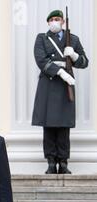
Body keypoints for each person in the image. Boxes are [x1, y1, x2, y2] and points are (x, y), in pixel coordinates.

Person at [32, 10, 89, 174]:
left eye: (57, 19)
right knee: (48, 125)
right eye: (51, 20)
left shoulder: (74, 39)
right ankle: (51, 162)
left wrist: (75, 56)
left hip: (66, 86)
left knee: (64, 125)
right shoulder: (42, 38)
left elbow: (84, 62)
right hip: (49, 84)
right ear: (48, 23)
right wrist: (61, 72)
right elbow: (41, 60)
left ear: (63, 21)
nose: (54, 22)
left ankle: (63, 162)